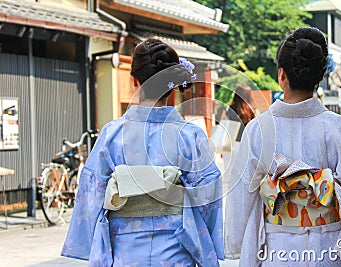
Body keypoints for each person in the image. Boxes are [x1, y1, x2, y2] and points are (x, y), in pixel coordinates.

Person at [224, 27, 341, 266]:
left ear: (281, 75)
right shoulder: (339, 129)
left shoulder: (257, 130)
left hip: (276, 252)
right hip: (329, 249)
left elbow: (242, 197)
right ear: (319, 78)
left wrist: (236, 240)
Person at [61, 38, 224, 267]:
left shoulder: (112, 135)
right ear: (173, 84)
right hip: (176, 249)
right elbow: (208, 195)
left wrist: (89, 242)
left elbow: (93, 190)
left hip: (124, 252)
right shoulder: (190, 136)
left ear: (134, 80)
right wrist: (206, 242)